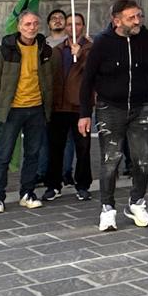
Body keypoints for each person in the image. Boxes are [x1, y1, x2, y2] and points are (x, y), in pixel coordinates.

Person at [80, 0, 148, 231]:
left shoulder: (147, 38)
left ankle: (137, 202)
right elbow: (87, 79)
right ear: (117, 21)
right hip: (110, 108)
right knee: (111, 161)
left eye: (139, 16)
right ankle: (107, 208)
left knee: (144, 160)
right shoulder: (102, 42)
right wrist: (84, 113)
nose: (137, 21)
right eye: (132, 18)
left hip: (141, 106)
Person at [0, 10, 54, 214]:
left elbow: (50, 78)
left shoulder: (44, 50)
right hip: (13, 110)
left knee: (33, 153)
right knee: (4, 154)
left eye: (35, 24)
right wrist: (4, 101)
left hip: (37, 108)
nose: (31, 28)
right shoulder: (6, 50)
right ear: (19, 27)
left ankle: (27, 193)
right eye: (27, 24)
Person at [45, 16, 93, 200]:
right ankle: (53, 184)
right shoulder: (57, 49)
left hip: (80, 106)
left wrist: (80, 55)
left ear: (83, 27)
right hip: (58, 106)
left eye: (77, 24)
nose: (73, 27)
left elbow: (93, 73)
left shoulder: (90, 48)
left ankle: (83, 184)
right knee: (55, 148)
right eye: (70, 24)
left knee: (83, 148)